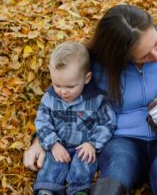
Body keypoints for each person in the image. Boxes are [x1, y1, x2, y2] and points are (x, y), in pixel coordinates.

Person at [24, 5, 157, 195]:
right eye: (144, 56)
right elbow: (62, 96)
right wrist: (40, 142)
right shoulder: (97, 65)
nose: (156, 55)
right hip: (123, 140)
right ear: (120, 57)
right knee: (116, 171)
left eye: (156, 43)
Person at [32, 42, 116, 195]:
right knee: (52, 163)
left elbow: (108, 123)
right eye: (57, 85)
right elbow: (42, 122)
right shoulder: (50, 98)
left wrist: (92, 144)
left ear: (87, 78)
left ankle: (79, 190)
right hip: (59, 143)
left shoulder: (96, 100)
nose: (63, 92)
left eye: (70, 87)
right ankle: (47, 188)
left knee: (84, 163)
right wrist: (53, 144)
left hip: (84, 147)